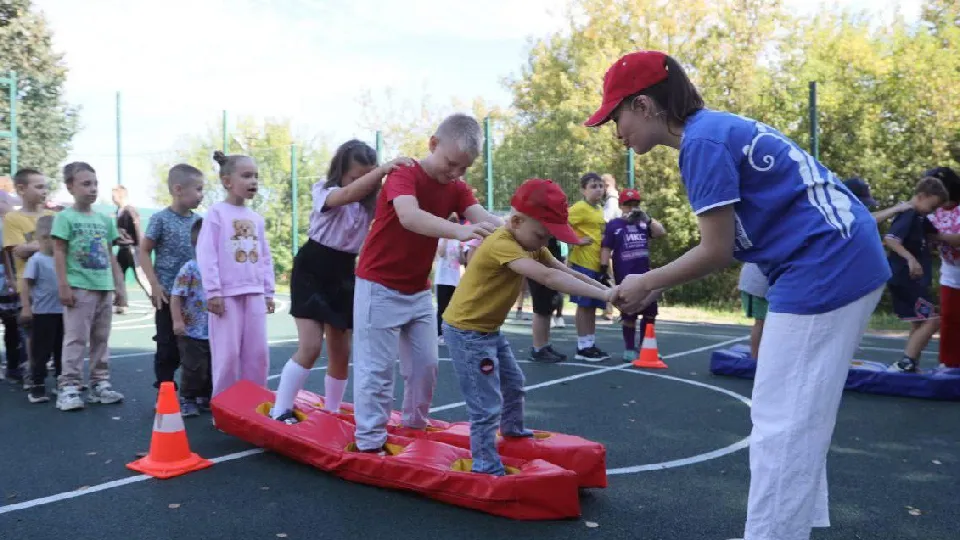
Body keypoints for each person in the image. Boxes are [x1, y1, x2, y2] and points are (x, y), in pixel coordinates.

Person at [586, 50, 891, 540]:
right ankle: (783, 529)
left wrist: (648, 281)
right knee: (793, 414)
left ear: (643, 105)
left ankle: (772, 534)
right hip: (829, 257)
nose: (615, 131)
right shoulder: (712, 130)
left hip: (827, 263)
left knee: (781, 418)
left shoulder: (701, 144)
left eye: (615, 116)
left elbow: (717, 249)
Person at [441, 178, 615, 475]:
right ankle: (484, 464)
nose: (545, 243)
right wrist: (603, 295)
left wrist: (609, 288)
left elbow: (561, 269)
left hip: (489, 330)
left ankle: (512, 430)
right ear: (518, 221)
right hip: (466, 332)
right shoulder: (502, 242)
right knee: (485, 404)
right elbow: (546, 278)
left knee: (514, 382)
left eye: (549, 237)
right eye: (542, 235)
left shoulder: (532, 243)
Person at [351, 113, 502, 454]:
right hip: (379, 285)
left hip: (418, 290)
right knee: (376, 370)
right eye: (452, 163)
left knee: (426, 367)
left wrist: (518, 232)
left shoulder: (458, 188)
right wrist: (460, 231)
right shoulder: (405, 174)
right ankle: (370, 442)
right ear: (433, 144)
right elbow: (409, 216)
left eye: (465, 168)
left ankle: (414, 426)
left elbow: (483, 219)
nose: (456, 173)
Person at [270, 141, 412, 423]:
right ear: (341, 172)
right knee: (310, 347)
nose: (362, 184)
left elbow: (400, 213)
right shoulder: (326, 189)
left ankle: (332, 411)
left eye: (367, 177)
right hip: (312, 267)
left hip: (344, 271)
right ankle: (280, 408)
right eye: (355, 176)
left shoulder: (370, 206)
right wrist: (381, 171)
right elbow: (344, 195)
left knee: (340, 349)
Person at [197, 151, 276, 398]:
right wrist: (213, 291)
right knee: (227, 355)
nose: (253, 181)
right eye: (246, 176)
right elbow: (207, 253)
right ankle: (225, 408)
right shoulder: (217, 213)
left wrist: (268, 291)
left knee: (257, 354)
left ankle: (255, 405)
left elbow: (264, 256)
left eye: (255, 177)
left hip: (254, 294)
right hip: (227, 296)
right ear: (227, 181)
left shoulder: (256, 219)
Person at [51, 162, 127, 411]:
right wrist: (63, 285)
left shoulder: (105, 220)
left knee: (101, 338)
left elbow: (109, 253)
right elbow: (59, 251)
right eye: (86, 184)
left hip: (103, 286)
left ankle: (100, 383)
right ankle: (69, 386)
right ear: (70, 187)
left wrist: (119, 286)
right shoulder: (64, 218)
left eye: (95, 183)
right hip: (79, 287)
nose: (92, 188)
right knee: (75, 338)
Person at [140, 165, 204, 391]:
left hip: (195, 299)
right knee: (167, 345)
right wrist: (154, 286)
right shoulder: (160, 219)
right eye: (198, 189)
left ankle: (196, 392)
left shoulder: (200, 222)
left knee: (195, 345)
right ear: (178, 189)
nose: (201, 194)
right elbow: (143, 251)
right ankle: (165, 389)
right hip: (167, 294)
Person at [884, 176, 949, 373]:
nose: (934, 210)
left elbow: (937, 234)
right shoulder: (909, 213)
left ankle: (912, 363)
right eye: (933, 205)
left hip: (911, 279)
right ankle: (906, 362)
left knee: (919, 321)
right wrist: (911, 259)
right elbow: (891, 239)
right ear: (922, 196)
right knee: (934, 319)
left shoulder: (921, 217)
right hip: (905, 277)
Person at [599, 187, 667, 361]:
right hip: (625, 276)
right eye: (628, 204)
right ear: (621, 205)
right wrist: (603, 268)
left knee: (650, 313)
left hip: (646, 276)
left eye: (635, 204)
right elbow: (606, 247)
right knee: (629, 314)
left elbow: (661, 233)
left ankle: (646, 345)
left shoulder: (644, 223)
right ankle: (629, 348)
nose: (632, 208)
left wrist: (648, 218)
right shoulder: (614, 225)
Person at [3, 168, 52, 388]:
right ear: (21, 189)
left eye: (45, 186)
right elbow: (18, 251)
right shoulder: (13, 218)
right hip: (29, 284)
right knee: (31, 333)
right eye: (39, 186)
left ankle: (60, 374)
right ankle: (33, 373)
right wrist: (46, 244)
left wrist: (35, 246)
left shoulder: (53, 217)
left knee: (56, 331)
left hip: (53, 284)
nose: (44, 190)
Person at [567, 172, 611, 362]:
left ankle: (590, 343)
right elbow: (561, 223)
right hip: (582, 263)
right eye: (593, 186)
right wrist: (575, 240)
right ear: (583, 190)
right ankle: (582, 346)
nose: (598, 189)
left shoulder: (599, 209)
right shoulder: (579, 208)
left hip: (596, 264)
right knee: (584, 307)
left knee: (593, 307)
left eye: (601, 186)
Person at [170, 218, 212, 417]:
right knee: (194, 366)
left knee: (211, 366)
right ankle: (188, 398)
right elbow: (176, 295)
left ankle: (206, 396)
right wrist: (177, 321)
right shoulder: (190, 268)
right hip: (191, 330)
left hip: (213, 330)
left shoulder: (218, 268)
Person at [19, 215, 63, 403]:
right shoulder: (36, 260)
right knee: (41, 351)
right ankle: (37, 385)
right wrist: (27, 308)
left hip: (63, 311)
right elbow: (25, 284)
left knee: (62, 350)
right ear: (45, 238)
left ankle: (63, 383)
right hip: (43, 313)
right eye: (57, 239)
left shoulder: (63, 259)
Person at [925, 167, 960, 369]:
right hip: (951, 272)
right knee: (949, 320)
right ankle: (949, 363)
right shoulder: (933, 212)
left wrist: (937, 237)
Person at [112, 184, 151, 313]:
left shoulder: (130, 210)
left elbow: (137, 229)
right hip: (122, 249)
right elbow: (119, 233)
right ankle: (121, 304)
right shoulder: (118, 211)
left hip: (132, 249)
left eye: (114, 195)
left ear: (120, 195)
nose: (112, 198)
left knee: (141, 277)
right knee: (118, 275)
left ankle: (156, 300)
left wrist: (140, 247)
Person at [528, 236, 567, 362]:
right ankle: (538, 348)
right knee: (541, 307)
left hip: (551, 259)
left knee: (549, 305)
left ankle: (544, 345)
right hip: (540, 264)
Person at [435, 212, 465, 346]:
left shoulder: (458, 241)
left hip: (454, 280)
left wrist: (460, 250)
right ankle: (440, 334)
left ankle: (451, 334)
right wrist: (446, 238)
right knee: (442, 308)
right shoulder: (442, 239)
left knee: (453, 308)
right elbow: (440, 254)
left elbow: (462, 260)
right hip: (442, 279)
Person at [738, 263, 769, 361]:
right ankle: (755, 359)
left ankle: (761, 357)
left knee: (768, 323)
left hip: (768, 284)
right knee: (761, 322)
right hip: (756, 286)